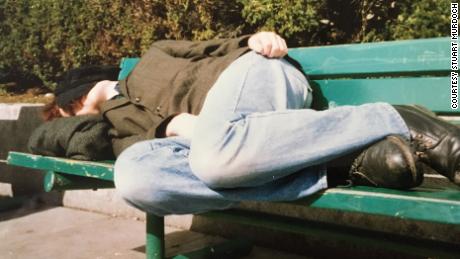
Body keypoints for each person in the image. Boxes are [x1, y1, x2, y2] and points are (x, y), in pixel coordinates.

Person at [43, 32, 460, 216]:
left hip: (252, 77)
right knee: (137, 179)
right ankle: (341, 160)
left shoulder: (152, 57)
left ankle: (390, 116)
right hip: (225, 146)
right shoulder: (114, 130)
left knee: (214, 158)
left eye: (62, 113)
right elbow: (70, 140)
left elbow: (213, 48)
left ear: (72, 98)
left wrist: (253, 41)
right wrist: (171, 126)